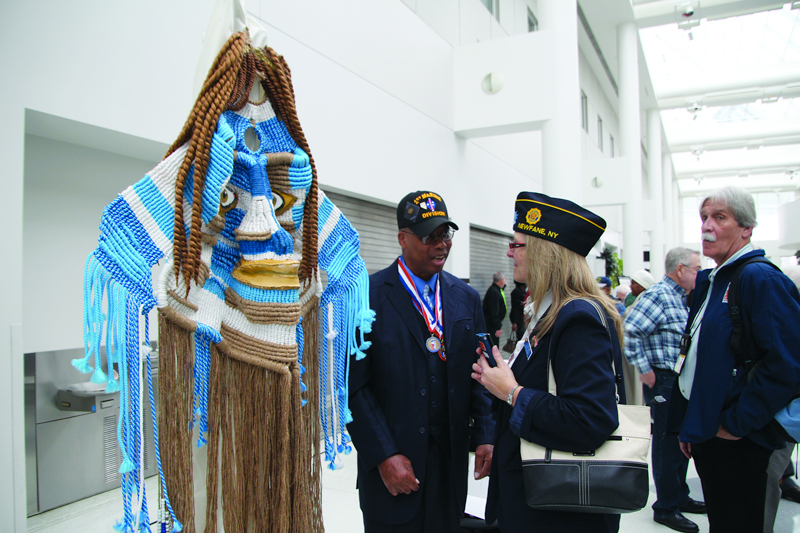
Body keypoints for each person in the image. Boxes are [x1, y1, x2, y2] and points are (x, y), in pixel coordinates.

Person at [473, 191, 625, 533]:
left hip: (560, 515)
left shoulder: (577, 318)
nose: (510, 253)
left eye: (518, 245)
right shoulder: (551, 311)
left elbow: (591, 419)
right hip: (540, 501)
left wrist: (512, 393)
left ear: (546, 252)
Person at [347, 190, 495, 533]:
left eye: (446, 234)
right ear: (402, 238)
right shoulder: (366, 297)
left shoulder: (466, 299)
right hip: (394, 470)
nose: (441, 244)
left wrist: (485, 433)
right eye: (430, 236)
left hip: (449, 470)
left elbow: (480, 373)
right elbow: (353, 388)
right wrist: (384, 456)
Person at [670, 186, 800, 533]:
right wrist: (692, 422)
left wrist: (737, 423)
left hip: (741, 440)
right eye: (703, 218)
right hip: (711, 434)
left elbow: (787, 363)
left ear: (747, 228)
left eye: (719, 217)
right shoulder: (712, 280)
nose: (706, 226)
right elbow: (699, 357)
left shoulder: (760, 278)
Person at [624, 247, 706, 533]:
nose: (700, 273)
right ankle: (666, 507)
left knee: (678, 440)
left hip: (678, 380)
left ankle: (679, 495)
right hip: (663, 380)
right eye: (696, 268)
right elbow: (630, 331)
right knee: (666, 442)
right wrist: (644, 369)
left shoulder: (679, 298)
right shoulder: (658, 295)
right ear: (680, 269)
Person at [483, 272, 507, 346]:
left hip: (493, 326)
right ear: (501, 280)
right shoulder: (494, 292)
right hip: (492, 327)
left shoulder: (495, 290)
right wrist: (497, 327)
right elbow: (494, 312)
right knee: (493, 346)